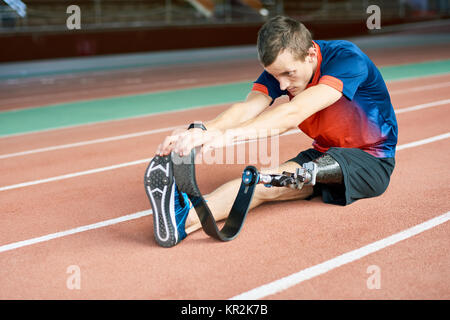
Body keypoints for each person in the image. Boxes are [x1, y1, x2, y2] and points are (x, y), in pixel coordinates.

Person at [145, 15, 398, 248]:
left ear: (310, 54)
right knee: (257, 183)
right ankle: (182, 220)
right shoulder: (282, 68)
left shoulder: (346, 59)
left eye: (289, 74)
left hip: (371, 161)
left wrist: (227, 137)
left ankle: (182, 214)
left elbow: (293, 113)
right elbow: (247, 108)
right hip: (324, 153)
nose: (283, 85)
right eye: (275, 76)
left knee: (295, 174)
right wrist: (202, 130)